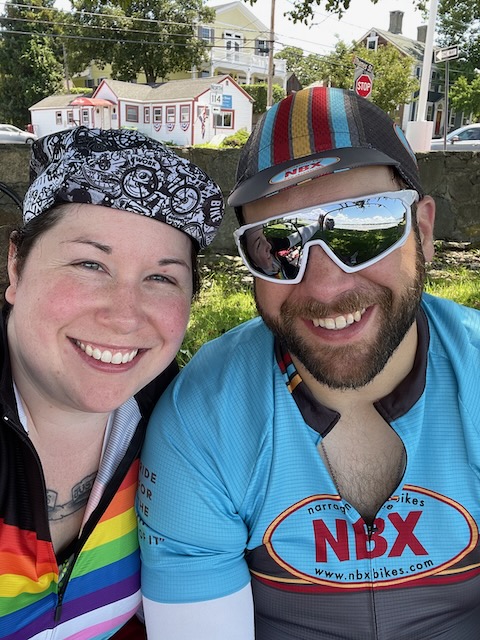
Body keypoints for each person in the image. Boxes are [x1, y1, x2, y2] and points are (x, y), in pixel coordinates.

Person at [137, 86, 480, 639]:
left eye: (364, 226)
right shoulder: (205, 415)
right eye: (280, 245)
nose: (324, 286)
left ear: (423, 229)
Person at [0, 125, 224, 640]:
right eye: (90, 264)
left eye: (161, 277)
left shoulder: (184, 427)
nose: (125, 316)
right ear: (16, 265)